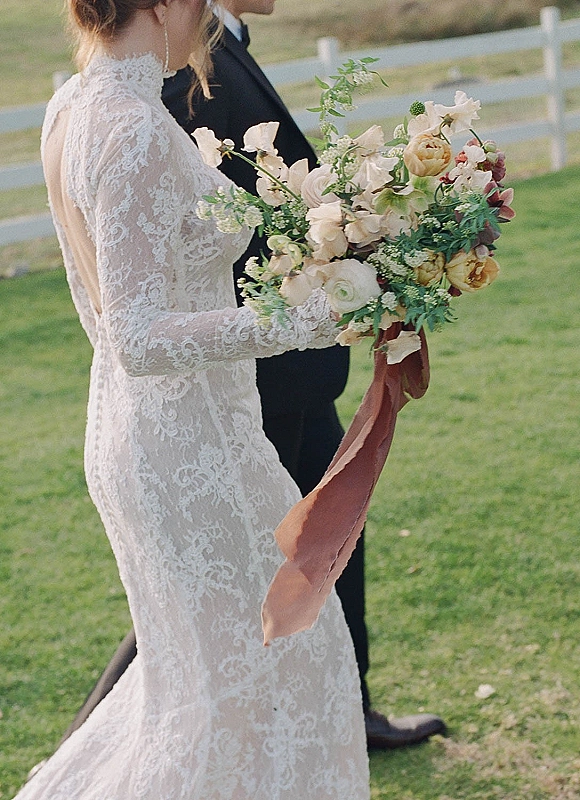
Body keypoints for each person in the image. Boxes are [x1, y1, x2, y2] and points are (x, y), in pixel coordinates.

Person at [58, 0, 446, 752]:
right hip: (210, 405)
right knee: (206, 661)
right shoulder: (141, 105)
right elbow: (140, 305)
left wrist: (374, 236)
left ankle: (340, 718)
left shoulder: (79, 102)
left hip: (166, 412)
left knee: (223, 650)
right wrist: (313, 315)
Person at [17, 0, 370, 797]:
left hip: (139, 435)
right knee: (272, 678)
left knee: (210, 692)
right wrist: (300, 319)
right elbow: (139, 335)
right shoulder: (135, 129)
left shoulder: (72, 107)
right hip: (190, 446)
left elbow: (111, 317)